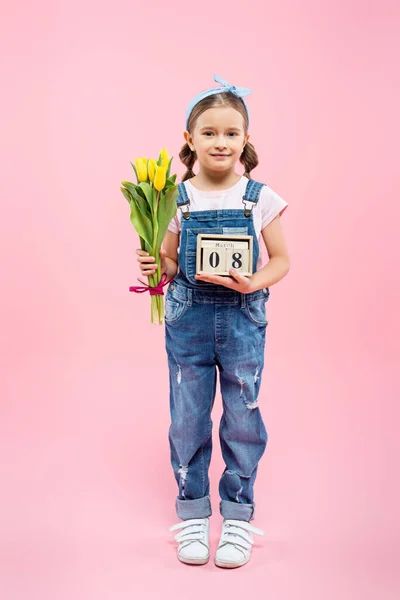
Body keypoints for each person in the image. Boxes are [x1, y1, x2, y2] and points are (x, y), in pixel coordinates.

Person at [136, 74, 290, 568]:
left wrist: (255, 280)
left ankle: (238, 518)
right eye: (208, 133)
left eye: (230, 133)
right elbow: (170, 264)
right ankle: (194, 514)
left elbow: (282, 260)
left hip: (243, 319)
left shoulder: (259, 197)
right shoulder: (176, 199)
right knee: (188, 418)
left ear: (246, 139)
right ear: (189, 140)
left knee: (243, 416)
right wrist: (154, 266)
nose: (220, 142)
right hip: (189, 321)